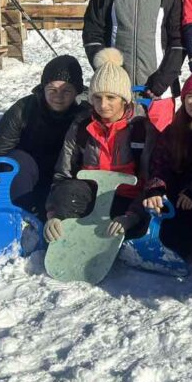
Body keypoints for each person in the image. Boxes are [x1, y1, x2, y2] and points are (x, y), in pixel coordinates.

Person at [43, 49, 148, 242]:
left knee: (142, 227)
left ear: (124, 99)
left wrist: (132, 217)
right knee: (67, 196)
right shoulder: (81, 126)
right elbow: (63, 175)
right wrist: (55, 214)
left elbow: (150, 180)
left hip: (127, 202)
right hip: (90, 197)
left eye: (111, 98)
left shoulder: (141, 129)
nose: (103, 104)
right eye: (97, 97)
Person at [0, 55, 90, 220]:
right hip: (29, 173)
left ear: (77, 92)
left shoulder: (84, 115)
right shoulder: (23, 109)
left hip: (65, 177)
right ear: (43, 88)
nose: (58, 96)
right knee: (17, 160)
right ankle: (21, 217)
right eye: (52, 90)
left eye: (66, 91)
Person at [140, 66, 192, 257]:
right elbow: (160, 164)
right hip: (180, 194)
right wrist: (156, 189)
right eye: (191, 96)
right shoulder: (174, 131)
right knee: (174, 237)